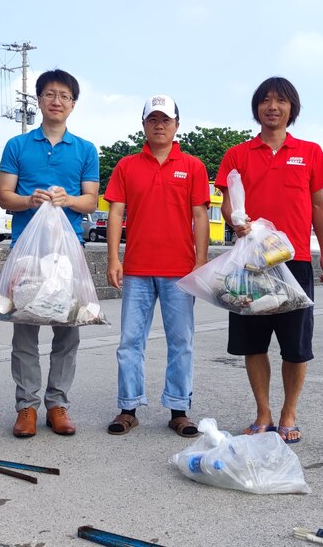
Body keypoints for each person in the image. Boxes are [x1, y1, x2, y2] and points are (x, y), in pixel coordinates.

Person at [215, 77, 323, 445]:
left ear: (291, 108)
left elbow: (319, 206)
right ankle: (264, 412)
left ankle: (288, 412)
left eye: (280, 101)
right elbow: (227, 201)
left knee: (296, 346)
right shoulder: (238, 154)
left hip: (295, 260)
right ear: (256, 108)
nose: (273, 107)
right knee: (253, 343)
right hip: (249, 262)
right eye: (265, 100)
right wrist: (236, 220)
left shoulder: (311, 152)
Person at [0, 69, 100, 438]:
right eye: (50, 95)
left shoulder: (86, 149)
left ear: (74, 104)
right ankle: (26, 406)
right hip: (27, 250)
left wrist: (67, 199)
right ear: (38, 100)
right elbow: (5, 196)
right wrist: (30, 199)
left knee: (67, 329)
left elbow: (91, 199)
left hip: (67, 250)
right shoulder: (18, 146)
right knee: (24, 329)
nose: (57, 102)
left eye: (64, 96)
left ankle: (58, 404)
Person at [104, 95, 210, 437]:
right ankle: (128, 408)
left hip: (179, 269)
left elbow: (200, 215)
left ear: (177, 125)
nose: (159, 125)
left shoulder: (193, 166)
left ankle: (179, 409)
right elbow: (116, 212)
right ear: (144, 125)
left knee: (182, 341)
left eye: (166, 119)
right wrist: (113, 258)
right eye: (153, 119)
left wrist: (201, 261)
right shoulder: (126, 166)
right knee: (130, 341)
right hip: (136, 268)